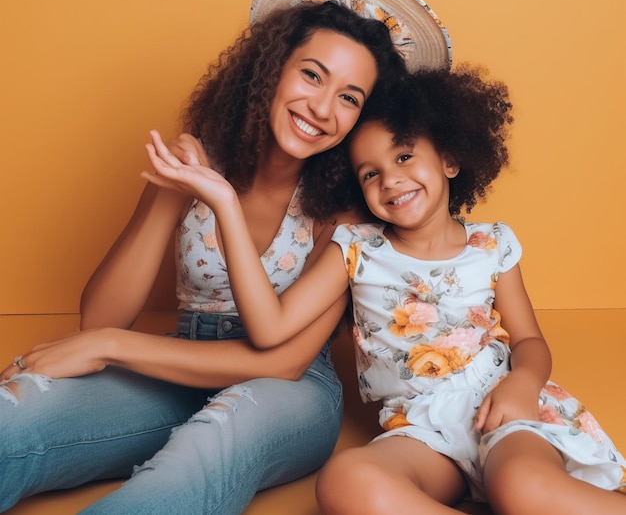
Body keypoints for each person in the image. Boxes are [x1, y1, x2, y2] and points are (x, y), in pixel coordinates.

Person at [0, 0, 452, 514]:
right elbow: (99, 322)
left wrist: (110, 347)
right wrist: (173, 191)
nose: (321, 108)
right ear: (270, 70)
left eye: (349, 98)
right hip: (172, 363)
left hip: (289, 391)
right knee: (16, 414)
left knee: (202, 450)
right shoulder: (199, 166)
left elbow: (281, 361)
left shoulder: (349, 213)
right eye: (312, 75)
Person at [147, 65, 626, 514]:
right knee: (347, 478)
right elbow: (269, 327)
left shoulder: (492, 244)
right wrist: (225, 204)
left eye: (404, 156)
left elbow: (528, 342)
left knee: (520, 486)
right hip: (420, 429)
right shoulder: (355, 249)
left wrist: (524, 383)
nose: (391, 179)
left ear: (451, 160)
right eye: (370, 173)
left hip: (501, 408)